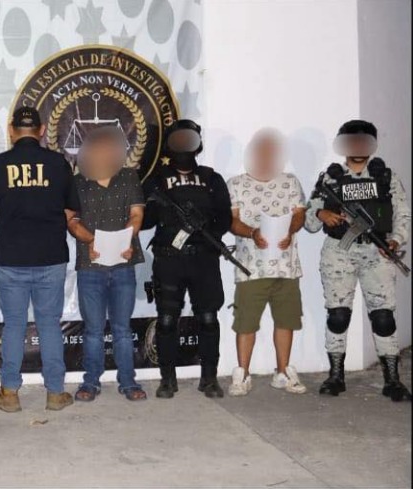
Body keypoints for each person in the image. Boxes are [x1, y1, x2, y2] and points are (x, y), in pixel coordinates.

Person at [0, 107, 79, 412]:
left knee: (14, 325)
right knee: (49, 325)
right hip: (50, 256)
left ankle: (9, 393)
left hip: (11, 257)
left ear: (11, 130)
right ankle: (55, 393)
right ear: (42, 129)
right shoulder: (58, 163)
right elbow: (70, 211)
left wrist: (13, 223)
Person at [305, 120, 411, 401]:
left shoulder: (386, 177)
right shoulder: (330, 179)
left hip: (377, 254)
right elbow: (309, 221)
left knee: (384, 318)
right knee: (338, 315)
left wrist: (396, 240)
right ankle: (335, 376)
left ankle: (393, 380)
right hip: (339, 252)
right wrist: (321, 214)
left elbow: (403, 214)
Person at [142, 119, 232, 399]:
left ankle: (209, 378)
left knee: (208, 318)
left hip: (203, 259)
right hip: (169, 259)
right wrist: (161, 209)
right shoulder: (157, 180)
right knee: (167, 320)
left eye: (188, 139)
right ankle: (167, 379)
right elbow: (145, 221)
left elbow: (225, 218)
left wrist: (204, 229)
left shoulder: (211, 178)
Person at [67, 126, 148, 402]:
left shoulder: (128, 177)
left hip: (124, 264)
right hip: (90, 267)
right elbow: (71, 221)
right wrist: (92, 241)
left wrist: (127, 239)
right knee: (92, 330)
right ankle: (90, 382)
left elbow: (137, 215)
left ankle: (128, 382)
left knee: (122, 329)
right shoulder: (77, 182)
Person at [226, 129, 307, 396]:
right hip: (251, 269)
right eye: (261, 151)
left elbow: (300, 214)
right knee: (245, 323)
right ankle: (242, 374)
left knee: (286, 321)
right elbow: (232, 221)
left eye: (271, 151)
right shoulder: (236, 184)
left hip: (287, 267)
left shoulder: (290, 181)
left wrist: (290, 231)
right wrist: (252, 233)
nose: (265, 155)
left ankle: (283, 372)